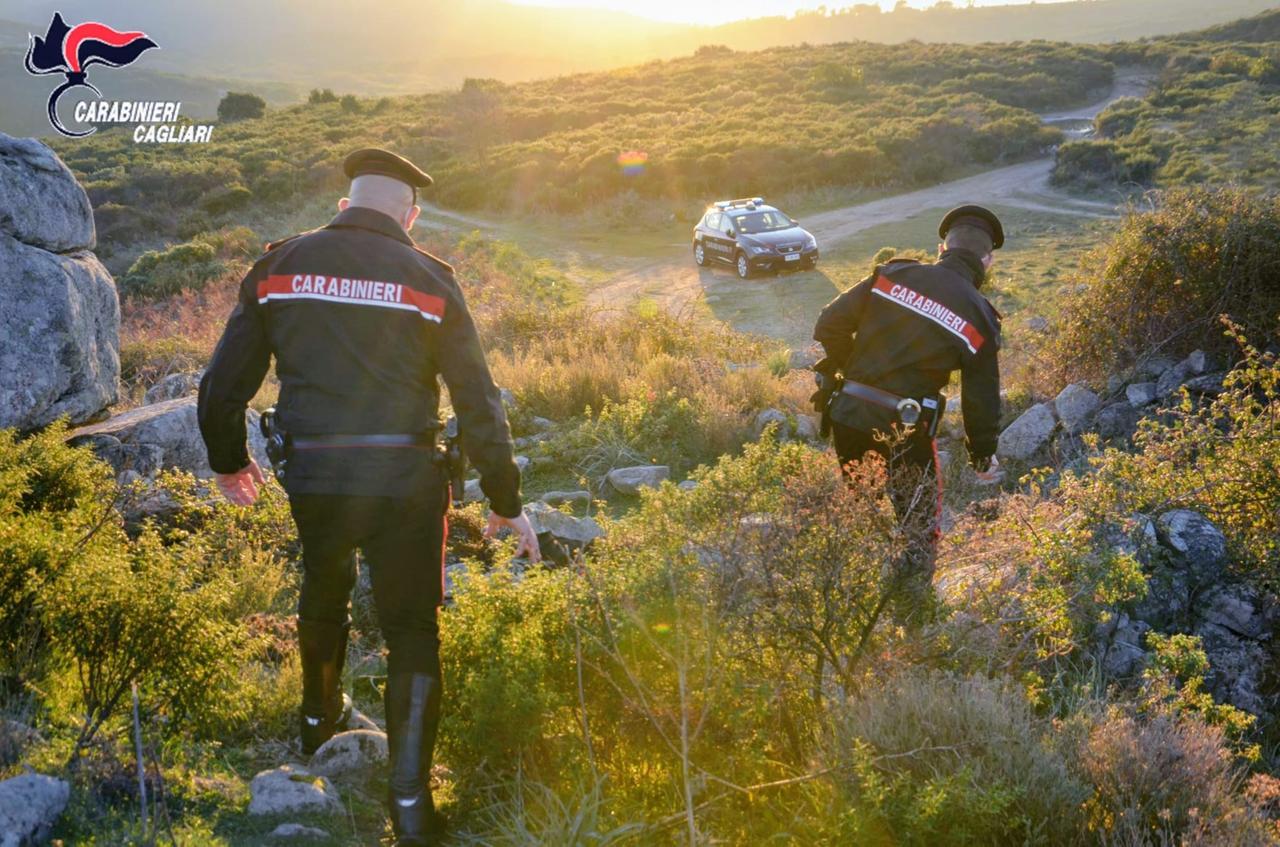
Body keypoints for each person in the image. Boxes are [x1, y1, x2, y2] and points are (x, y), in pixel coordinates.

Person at [197, 148, 540, 846]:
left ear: (345, 204)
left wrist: (228, 461)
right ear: (410, 215)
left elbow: (221, 386)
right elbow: (479, 403)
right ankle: (410, 806)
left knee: (324, 584)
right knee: (412, 627)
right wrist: (506, 500)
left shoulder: (278, 267)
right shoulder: (431, 280)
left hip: (314, 477)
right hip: (406, 484)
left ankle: (317, 723)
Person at [811, 204, 1005, 622]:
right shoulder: (979, 316)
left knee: (859, 509)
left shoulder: (891, 275)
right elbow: (981, 396)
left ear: (942, 249)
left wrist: (853, 370)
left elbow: (828, 324)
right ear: (987, 261)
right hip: (906, 428)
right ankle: (913, 618)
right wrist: (981, 453)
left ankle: (845, 606)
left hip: (849, 415)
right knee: (917, 524)